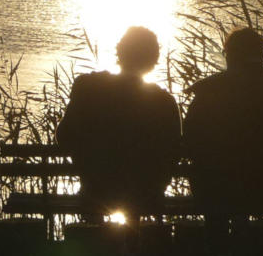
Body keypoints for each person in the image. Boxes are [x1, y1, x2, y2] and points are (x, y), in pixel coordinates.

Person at [56, 26, 181, 221]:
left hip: (95, 192)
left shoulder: (89, 88)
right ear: (153, 60)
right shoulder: (163, 101)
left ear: (120, 52)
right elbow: (173, 152)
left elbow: (63, 137)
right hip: (145, 196)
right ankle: (133, 248)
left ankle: (95, 244)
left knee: (95, 198)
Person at [184, 26, 263, 220]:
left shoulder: (208, 91)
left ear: (230, 55)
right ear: (261, 56)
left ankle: (216, 247)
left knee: (217, 192)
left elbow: (189, 141)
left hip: (213, 191)